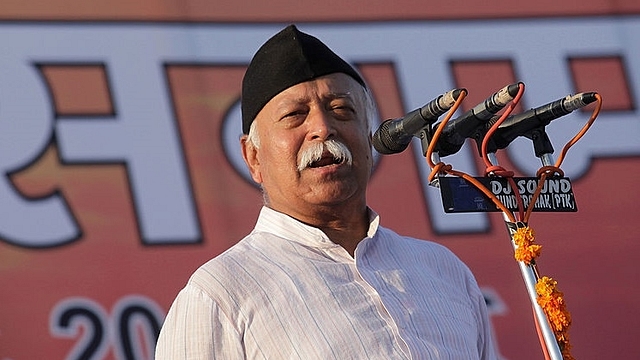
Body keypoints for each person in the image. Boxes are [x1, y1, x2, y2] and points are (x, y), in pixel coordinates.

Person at [155, 24, 498, 359]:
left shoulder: (443, 273)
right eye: (294, 115)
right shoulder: (220, 296)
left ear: (367, 135)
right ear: (253, 156)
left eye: (341, 110)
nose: (323, 128)